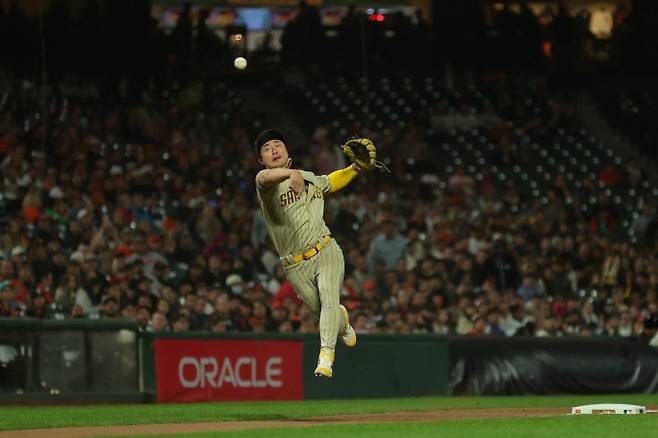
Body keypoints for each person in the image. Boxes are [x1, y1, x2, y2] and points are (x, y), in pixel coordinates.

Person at [254, 128, 358, 379]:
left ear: (287, 149)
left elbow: (331, 181)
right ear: (261, 160)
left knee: (328, 297)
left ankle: (326, 356)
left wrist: (355, 169)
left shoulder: (308, 177)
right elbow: (265, 179)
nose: (274, 150)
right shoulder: (264, 183)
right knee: (325, 309)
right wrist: (291, 172)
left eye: (277, 144)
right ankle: (342, 323)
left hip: (325, 249)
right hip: (294, 265)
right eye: (267, 149)